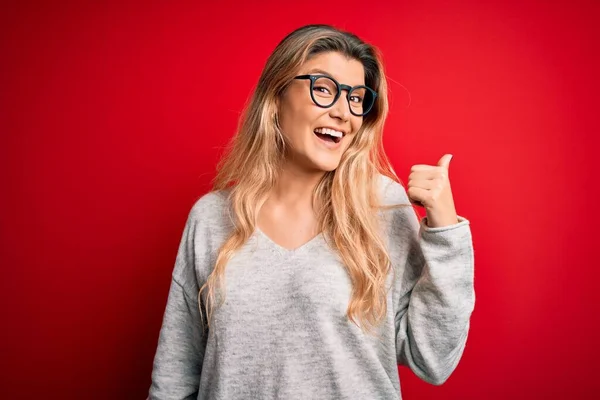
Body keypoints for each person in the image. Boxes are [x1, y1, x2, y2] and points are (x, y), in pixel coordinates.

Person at [148, 24, 475, 400]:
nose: (343, 113)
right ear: (277, 96)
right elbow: (174, 376)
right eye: (323, 89)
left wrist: (445, 233)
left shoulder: (381, 207)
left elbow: (431, 359)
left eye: (356, 98)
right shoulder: (210, 219)